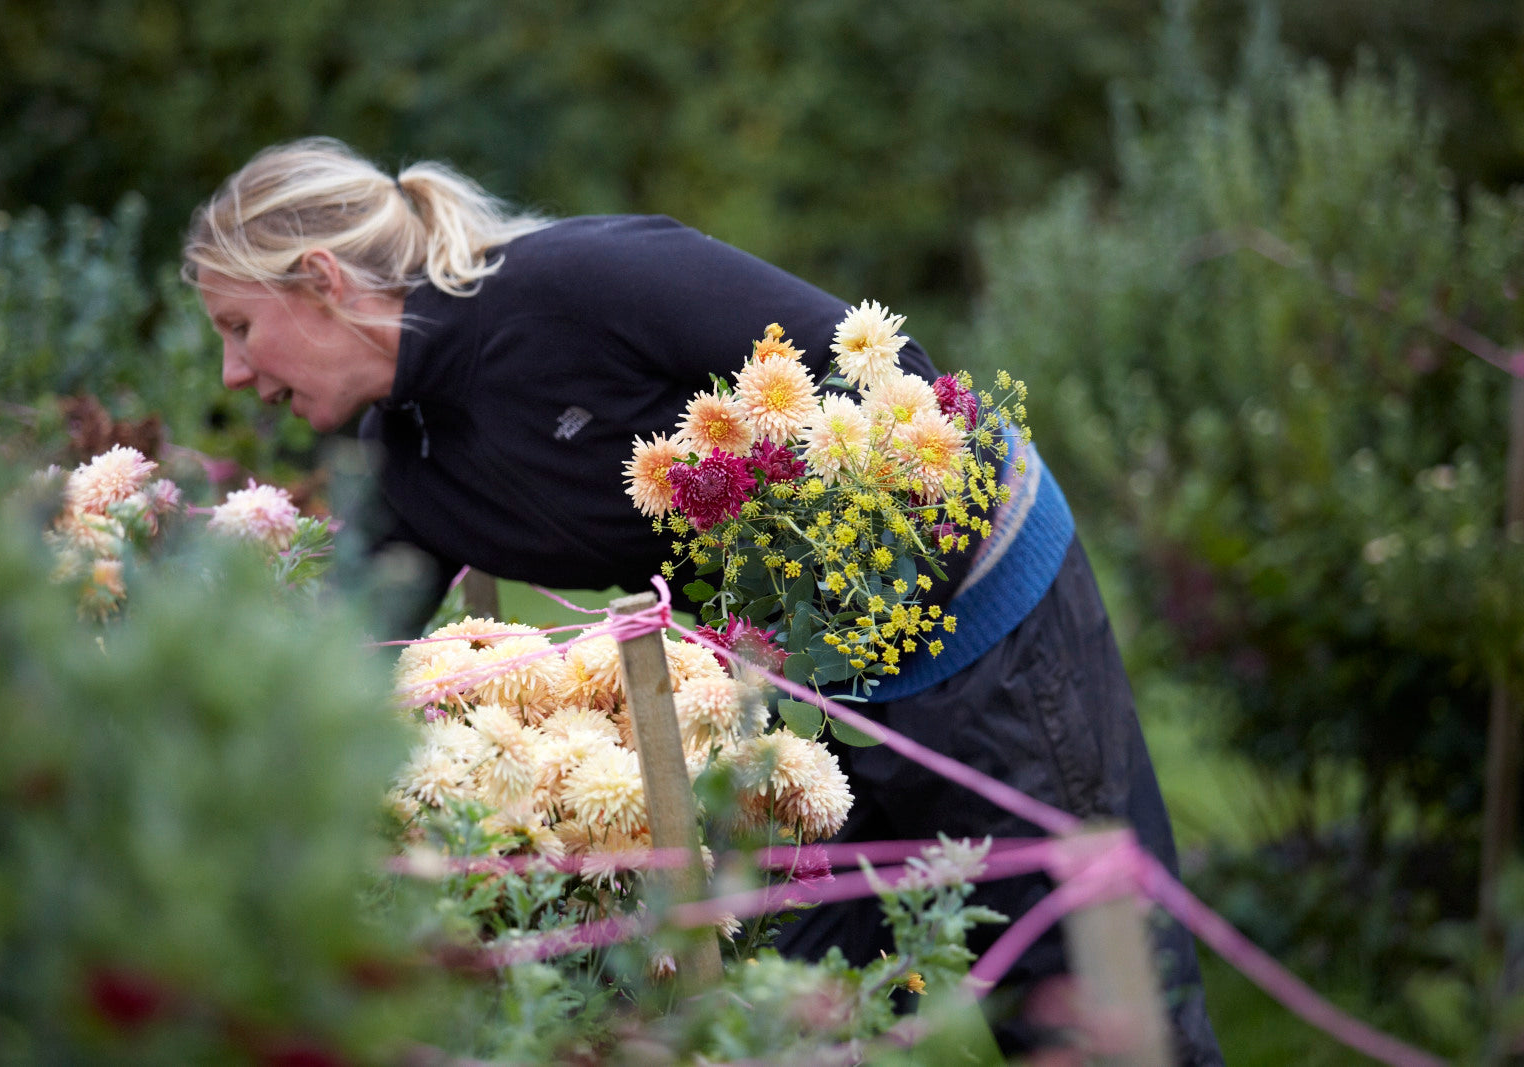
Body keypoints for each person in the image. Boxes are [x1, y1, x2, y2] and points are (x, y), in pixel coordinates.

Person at [184, 137, 1223, 1064]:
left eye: (239, 325)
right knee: (761, 1010)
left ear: (319, 280)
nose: (233, 373)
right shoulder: (409, 460)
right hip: (812, 697)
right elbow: (343, 637)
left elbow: (899, 382)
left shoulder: (577, 282)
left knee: (1092, 1000)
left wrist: (836, 603)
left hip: (987, 624)